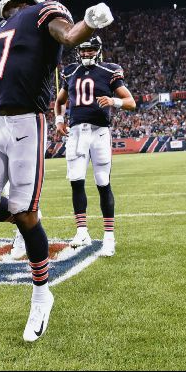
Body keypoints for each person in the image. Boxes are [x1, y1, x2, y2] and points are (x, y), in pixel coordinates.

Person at [0, 0, 113, 342]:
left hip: (25, 123)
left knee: (26, 214)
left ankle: (41, 292)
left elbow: (67, 34)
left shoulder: (43, 11)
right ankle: (23, 217)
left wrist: (89, 24)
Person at [54, 35, 135, 257]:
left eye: (91, 50)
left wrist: (113, 101)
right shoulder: (70, 71)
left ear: (98, 50)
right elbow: (60, 101)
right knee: (76, 182)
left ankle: (109, 237)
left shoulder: (109, 71)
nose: (87, 53)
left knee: (102, 182)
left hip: (99, 132)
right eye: (84, 50)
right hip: (77, 134)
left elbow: (131, 102)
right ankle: (82, 231)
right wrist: (59, 120)